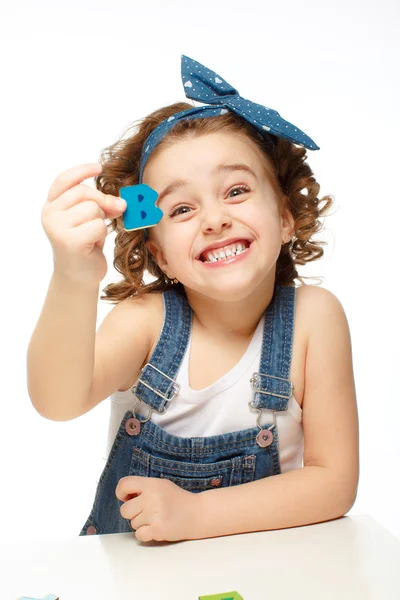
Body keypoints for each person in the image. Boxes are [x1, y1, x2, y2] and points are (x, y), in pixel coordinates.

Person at [27, 56, 359, 542]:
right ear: (158, 253)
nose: (214, 219)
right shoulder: (145, 322)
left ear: (286, 216)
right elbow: (57, 401)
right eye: (182, 207)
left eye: (237, 190)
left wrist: (197, 516)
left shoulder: (314, 319)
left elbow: (334, 483)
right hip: (137, 580)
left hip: (263, 572)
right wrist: (73, 278)